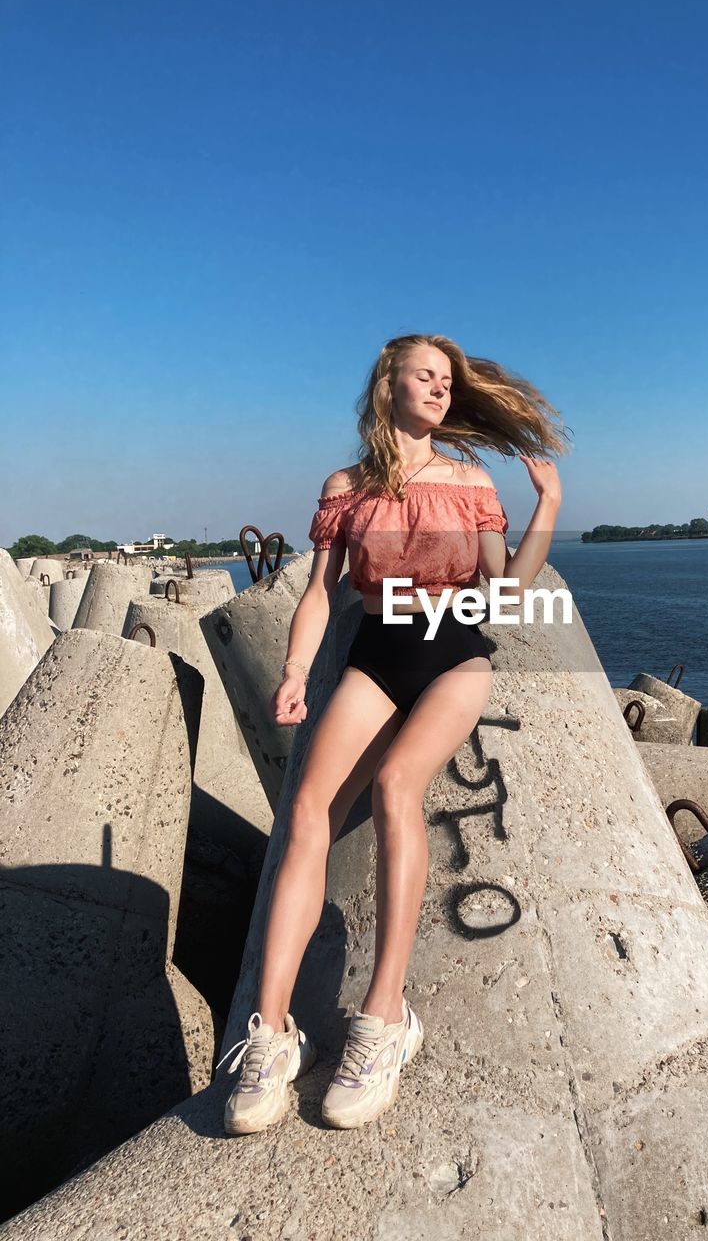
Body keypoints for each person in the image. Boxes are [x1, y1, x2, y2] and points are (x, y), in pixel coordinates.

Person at [216, 333, 567, 1134]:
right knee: (308, 811)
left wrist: (546, 506)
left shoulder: (470, 481)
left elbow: (507, 588)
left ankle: (384, 1018)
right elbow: (318, 594)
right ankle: (270, 1035)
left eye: (448, 380)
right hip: (374, 660)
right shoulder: (347, 486)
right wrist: (298, 671)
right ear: (389, 385)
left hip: (456, 657)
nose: (441, 389)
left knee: (395, 785)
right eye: (426, 376)